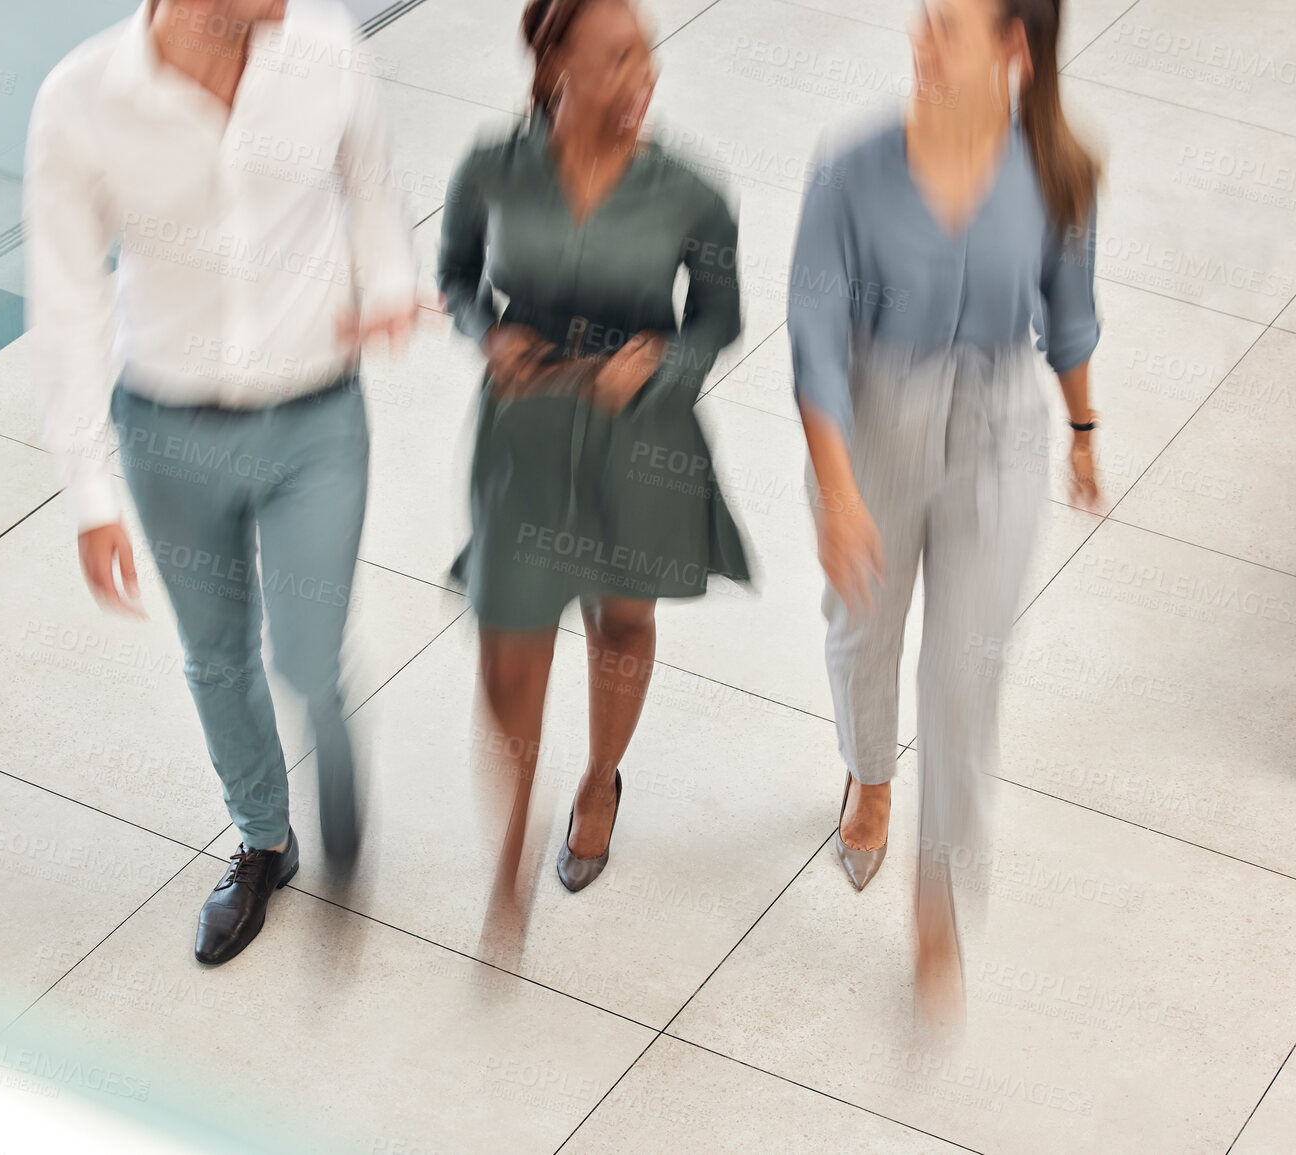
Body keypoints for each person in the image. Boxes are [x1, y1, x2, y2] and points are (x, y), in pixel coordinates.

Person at [26, 0, 419, 966]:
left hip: (315, 417)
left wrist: (390, 282)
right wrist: (88, 490)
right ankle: (262, 841)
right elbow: (68, 300)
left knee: (306, 643)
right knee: (214, 654)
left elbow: (369, 186)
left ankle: (325, 724)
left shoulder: (325, 51)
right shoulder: (80, 103)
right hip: (169, 429)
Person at [790, 0, 1102, 1016]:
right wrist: (837, 492)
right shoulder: (850, 171)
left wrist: (1084, 432)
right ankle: (869, 772)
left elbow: (1068, 318)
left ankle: (938, 895)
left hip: (998, 428)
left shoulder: (1056, 171)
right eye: (922, 21)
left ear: (1012, 48)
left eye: (950, 30)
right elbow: (814, 341)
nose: (921, 45)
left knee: (969, 667)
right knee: (863, 632)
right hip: (875, 419)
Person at [437, 0, 747, 935]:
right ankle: (509, 851)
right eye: (616, 58)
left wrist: (663, 363)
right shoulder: (490, 170)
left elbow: (719, 317)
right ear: (554, 61)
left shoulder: (691, 191)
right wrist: (485, 334)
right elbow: (455, 279)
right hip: (524, 433)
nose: (640, 77)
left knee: (622, 617)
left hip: (639, 439)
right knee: (512, 642)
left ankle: (601, 777)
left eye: (646, 58)